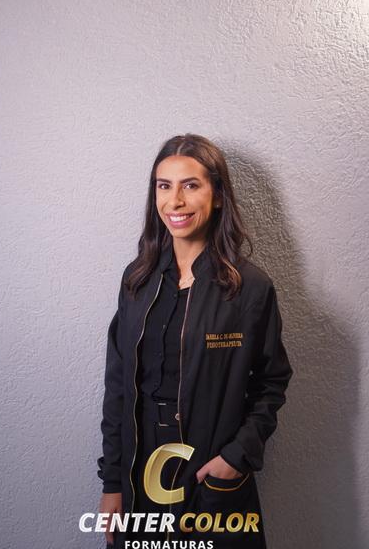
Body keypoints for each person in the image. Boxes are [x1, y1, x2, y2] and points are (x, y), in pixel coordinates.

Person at [97, 134, 293, 548]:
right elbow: (118, 387)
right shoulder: (137, 281)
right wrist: (112, 482)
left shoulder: (248, 288)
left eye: (191, 185)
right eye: (164, 186)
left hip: (208, 467)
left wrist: (236, 457)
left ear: (217, 195)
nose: (175, 201)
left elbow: (271, 383)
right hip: (140, 464)